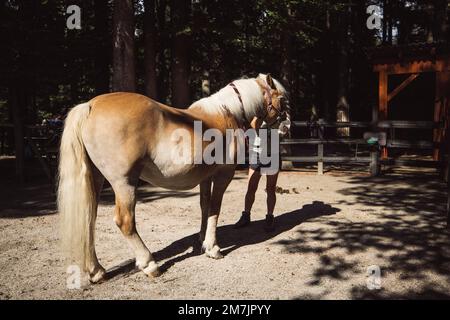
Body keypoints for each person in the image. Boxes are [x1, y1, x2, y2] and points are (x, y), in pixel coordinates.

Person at [234, 116, 290, 232]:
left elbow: (283, 131)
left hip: (273, 154)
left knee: (270, 188)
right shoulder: (257, 112)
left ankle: (270, 217)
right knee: (251, 187)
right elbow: (252, 126)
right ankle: (246, 215)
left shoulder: (283, 114)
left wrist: (271, 129)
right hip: (257, 153)